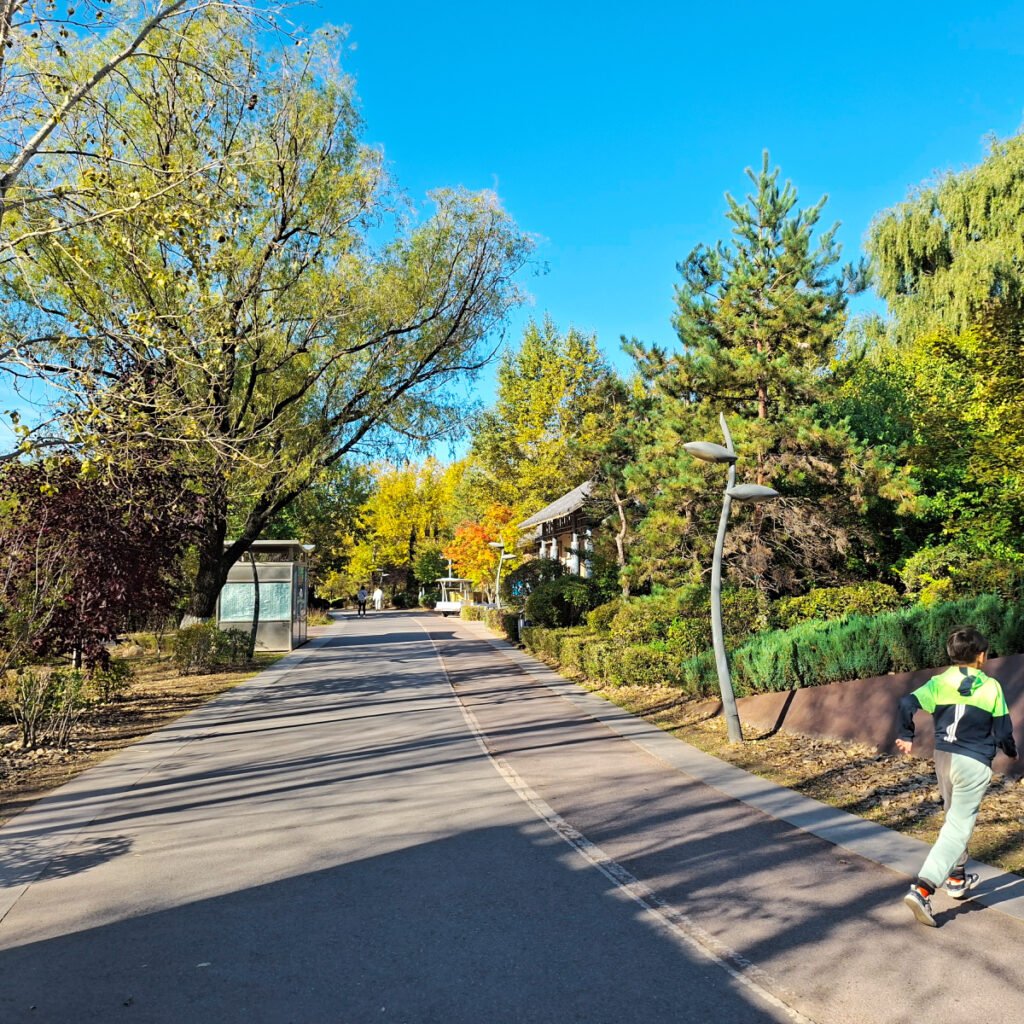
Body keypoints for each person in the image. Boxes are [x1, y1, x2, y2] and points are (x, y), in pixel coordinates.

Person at [896, 625, 1017, 926]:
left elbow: (905, 703)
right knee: (959, 827)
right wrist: (1011, 752)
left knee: (953, 819)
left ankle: (957, 877)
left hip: (944, 758)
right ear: (980, 656)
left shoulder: (939, 682)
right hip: (973, 762)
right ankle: (923, 889)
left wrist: (906, 734)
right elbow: (1003, 732)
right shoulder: (991, 687)